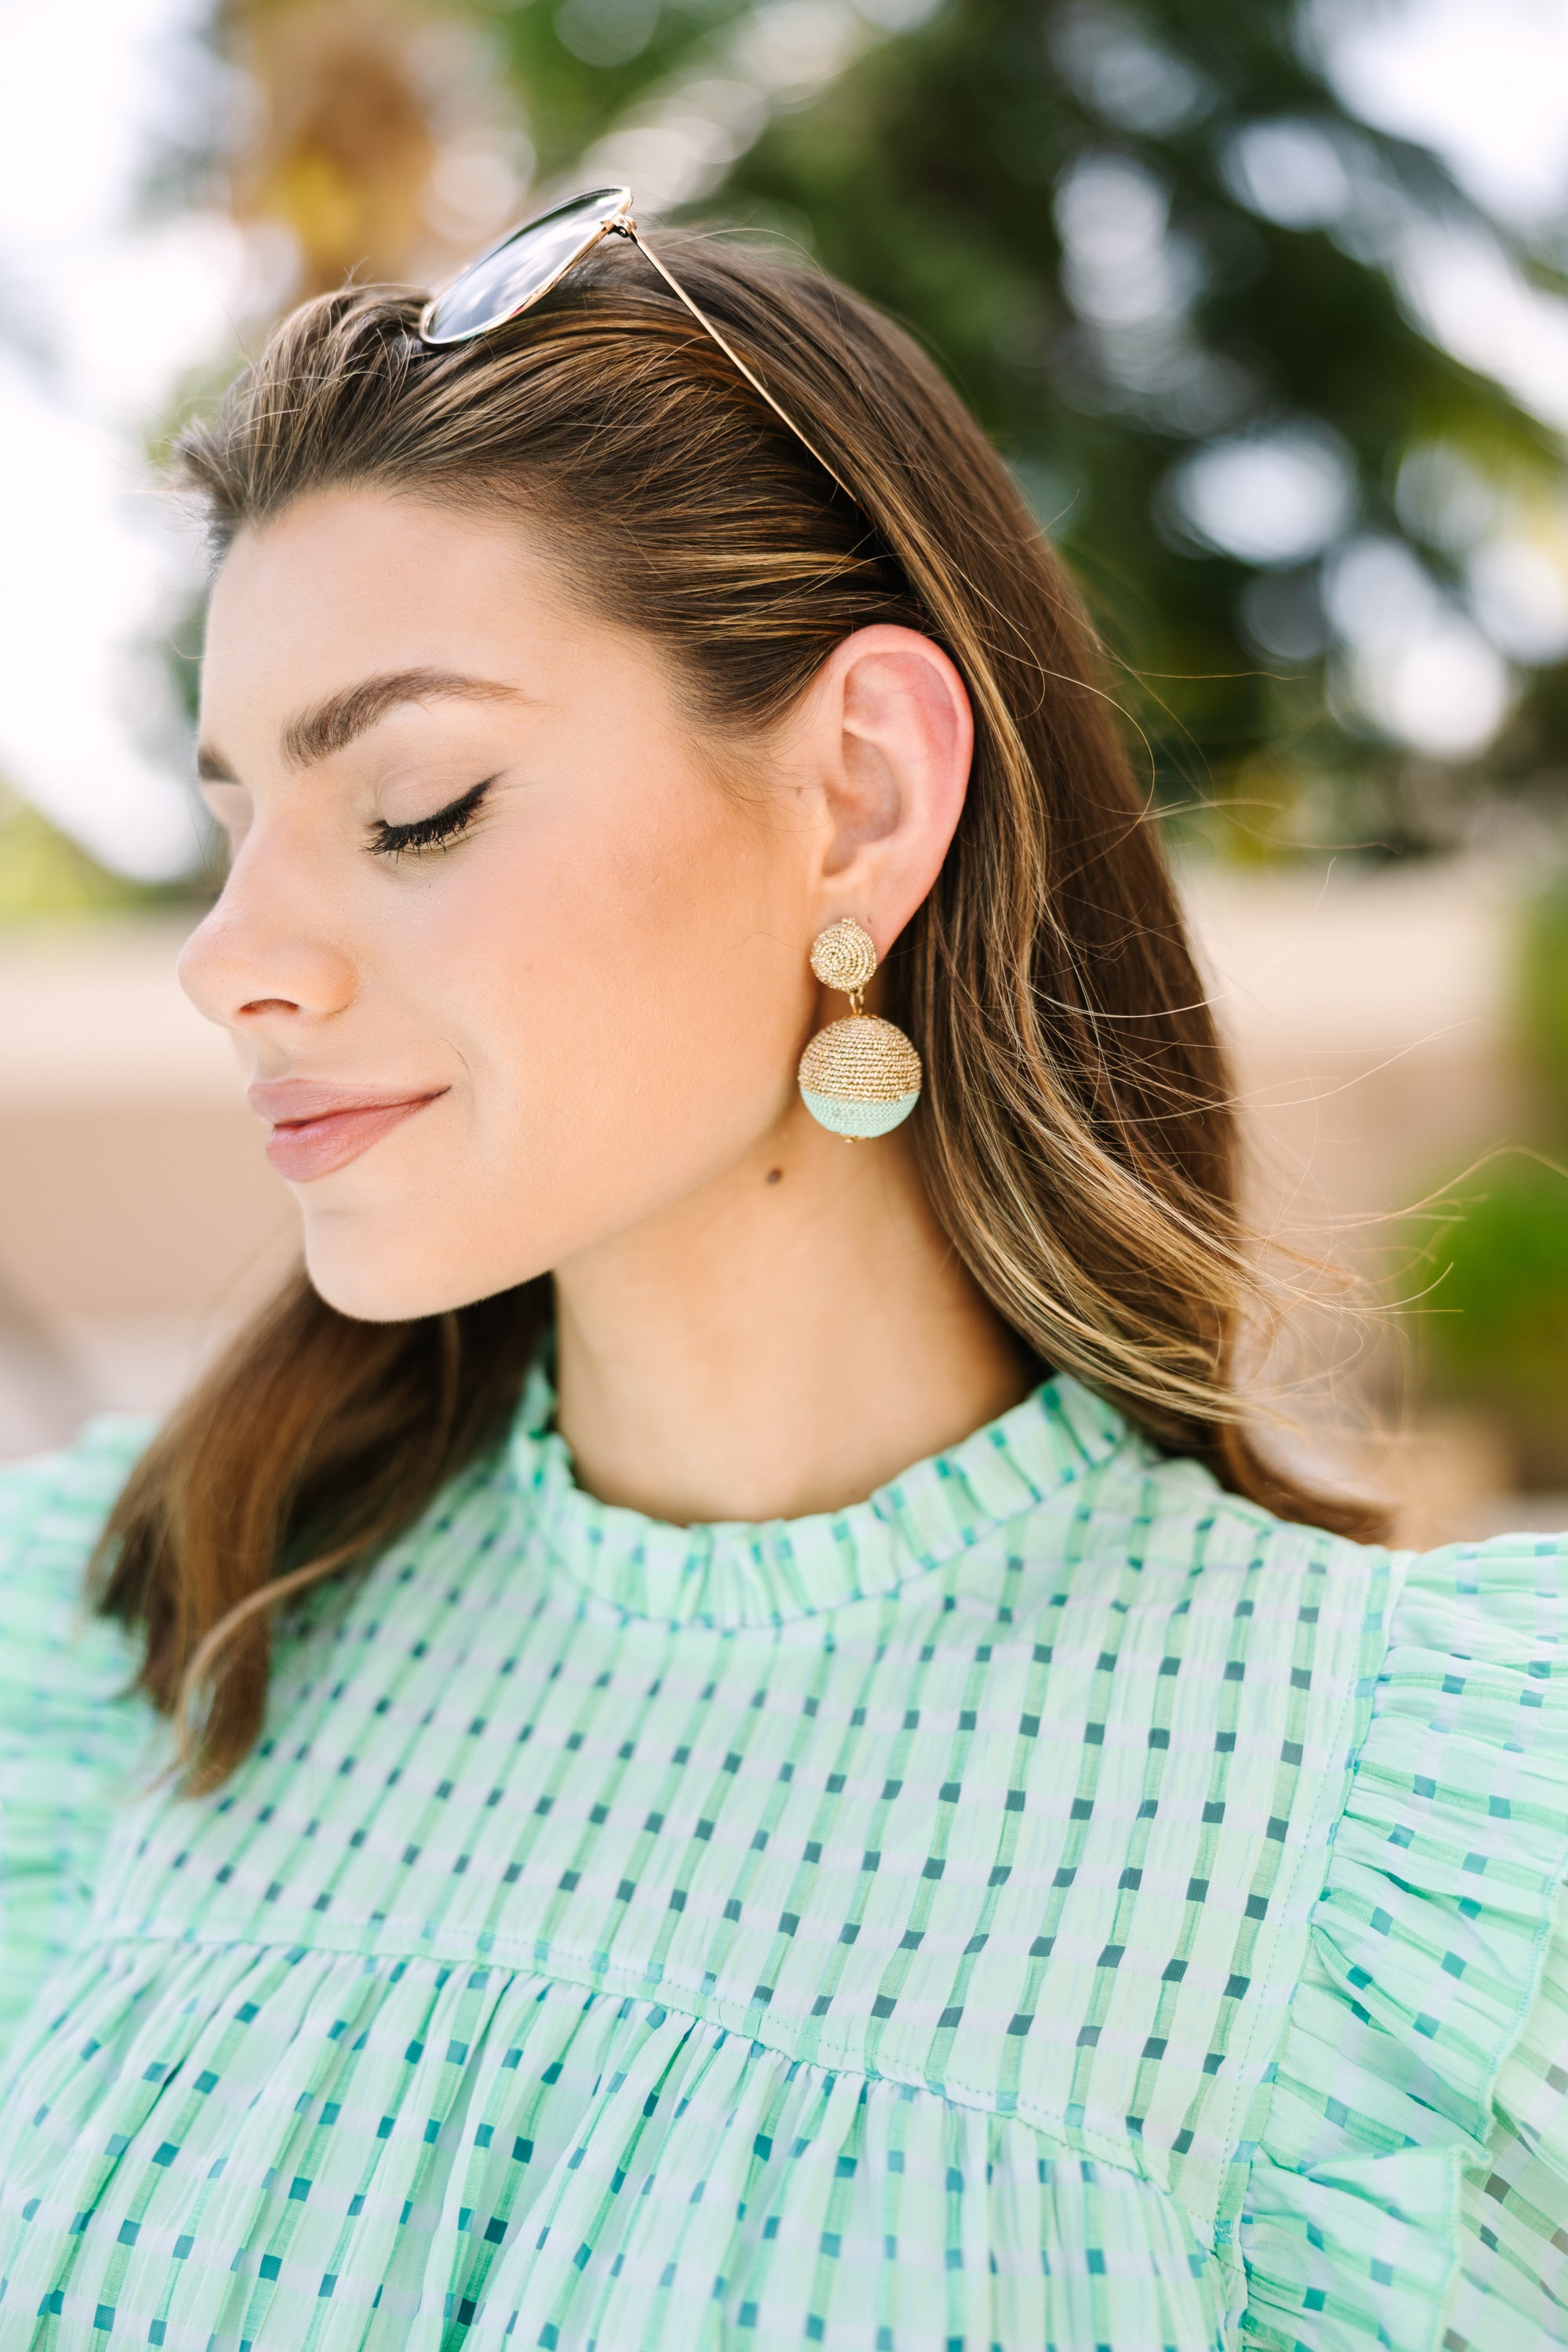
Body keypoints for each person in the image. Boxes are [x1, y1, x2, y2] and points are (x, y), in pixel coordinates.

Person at [0, 194, 1562, 2352]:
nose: (230, 958)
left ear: (858, 794)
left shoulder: (1414, 1828)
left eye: (419, 801)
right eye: (234, 822)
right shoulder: (123, 1636)